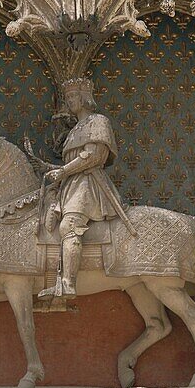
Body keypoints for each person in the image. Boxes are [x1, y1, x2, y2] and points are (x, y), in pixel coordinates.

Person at [38, 77, 130, 301]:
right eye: (67, 98)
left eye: (72, 97)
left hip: (89, 184)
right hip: (71, 184)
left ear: (85, 97)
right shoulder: (74, 130)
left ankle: (68, 284)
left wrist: (64, 171)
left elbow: (93, 155)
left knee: (69, 225)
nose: (69, 101)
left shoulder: (98, 121)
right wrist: (55, 170)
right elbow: (74, 159)